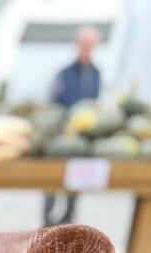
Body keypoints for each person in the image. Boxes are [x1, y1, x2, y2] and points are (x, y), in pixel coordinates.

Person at [43, 25, 102, 226]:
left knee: (77, 179)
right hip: (61, 133)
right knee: (52, 177)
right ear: (77, 45)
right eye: (84, 44)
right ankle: (48, 220)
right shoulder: (64, 73)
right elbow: (53, 102)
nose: (87, 48)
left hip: (82, 137)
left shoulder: (96, 73)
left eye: (91, 45)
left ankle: (68, 217)